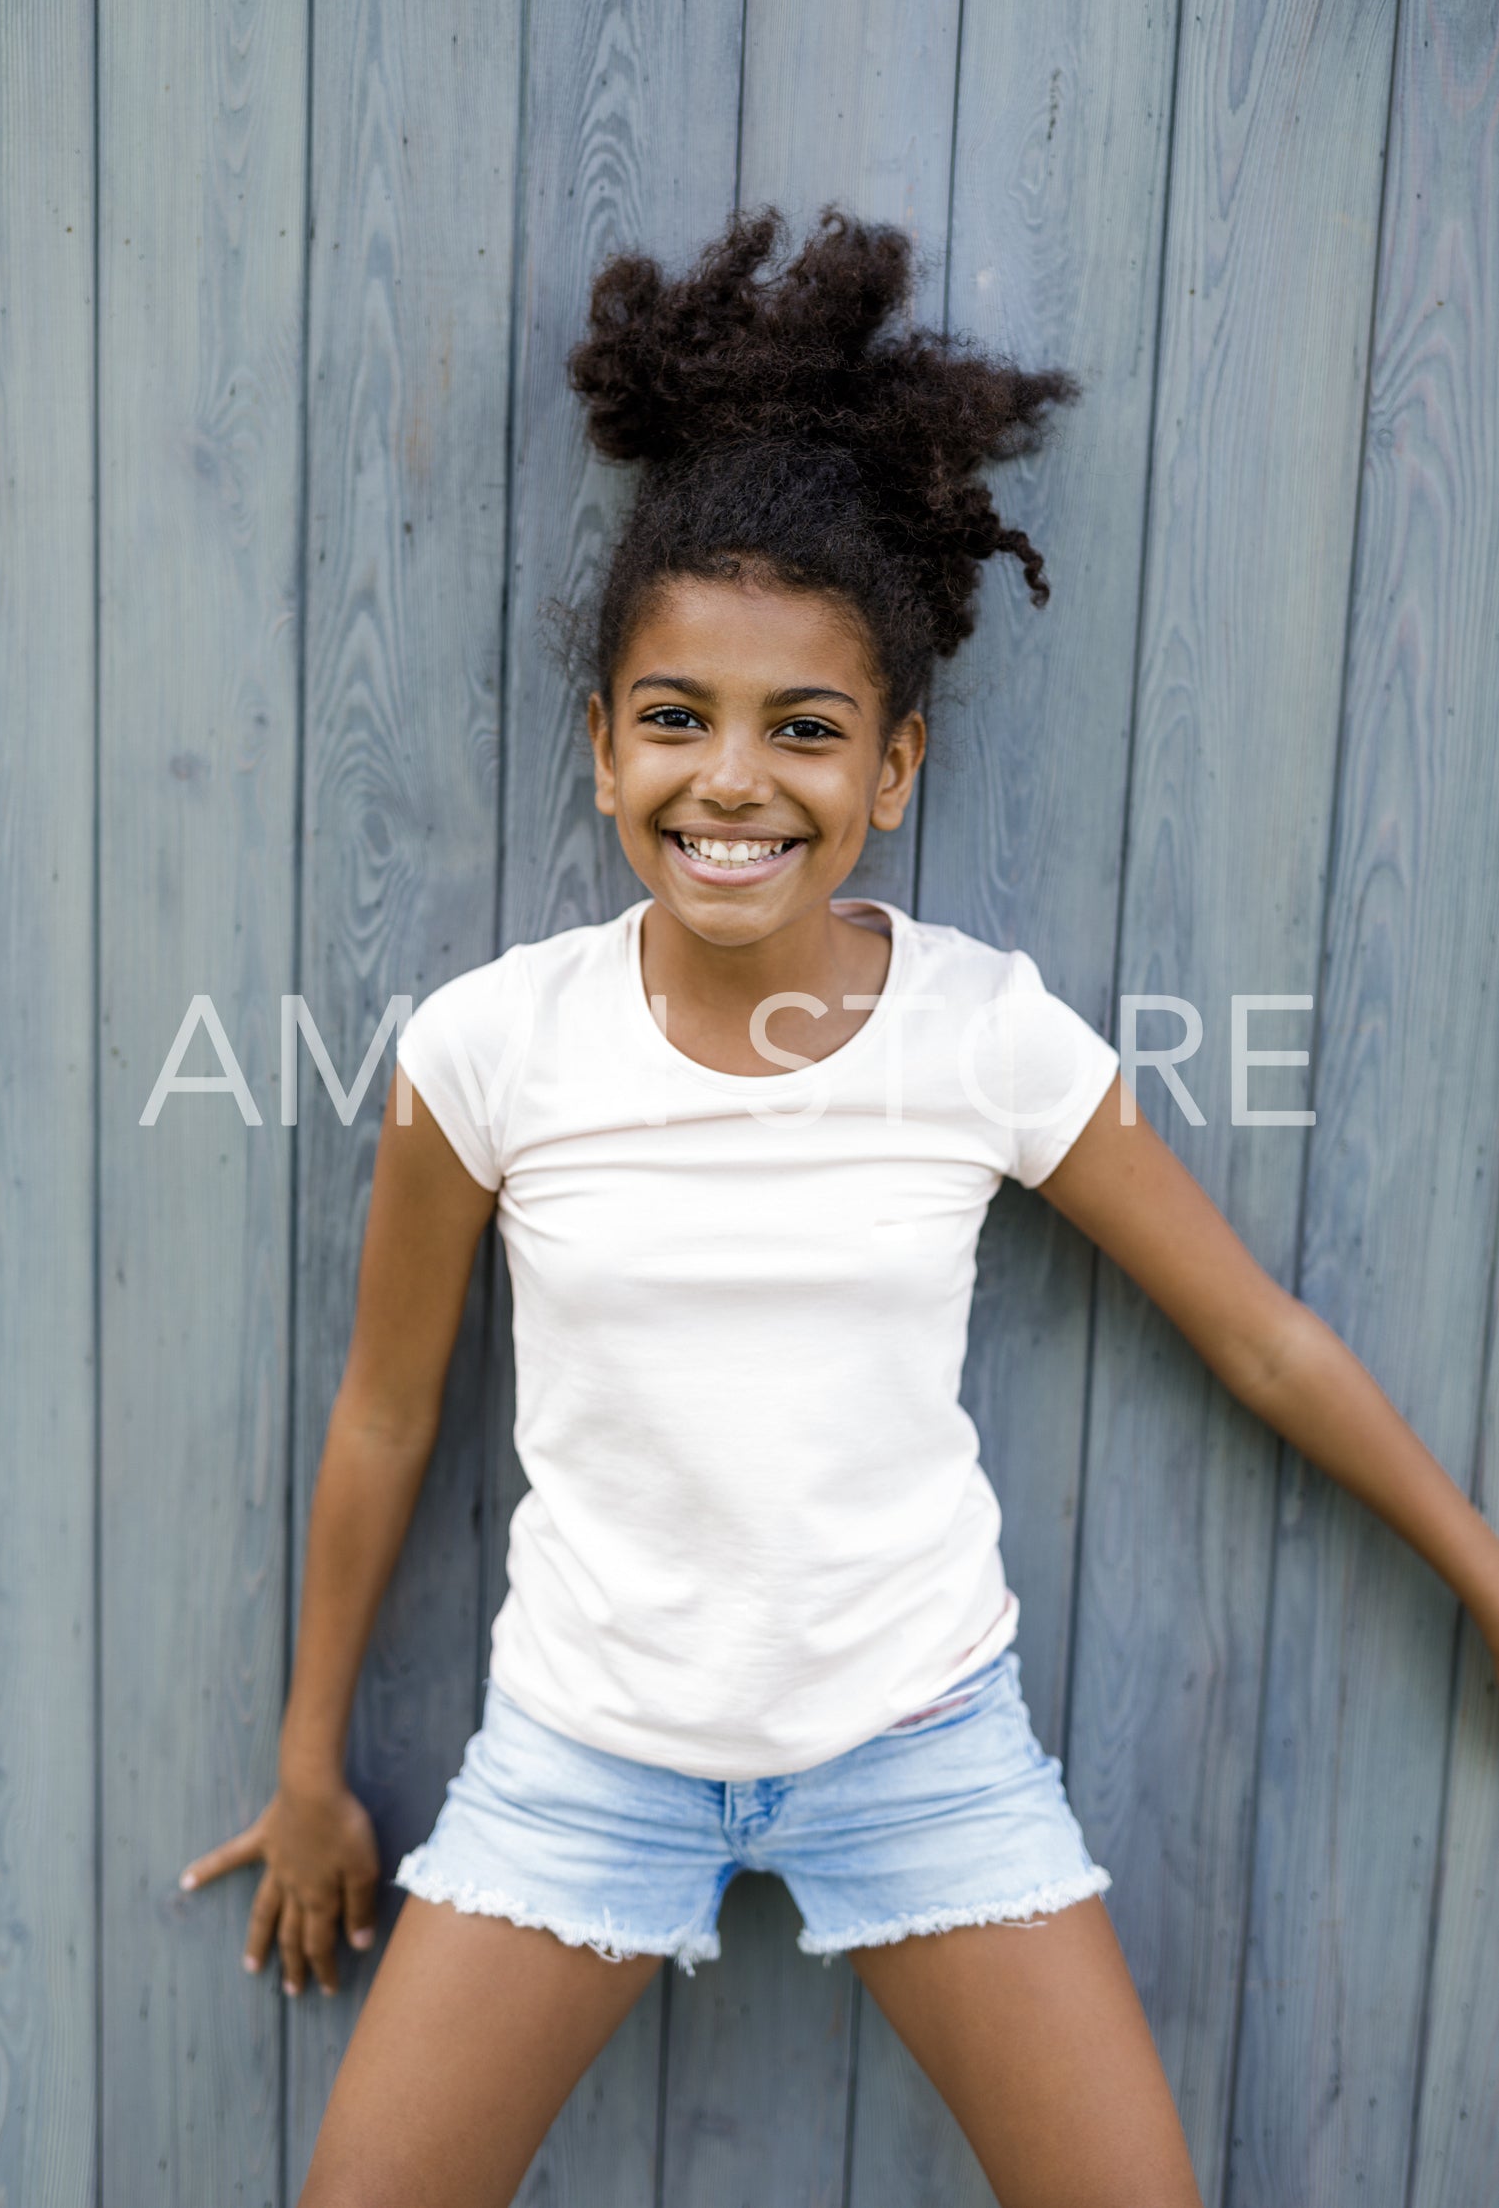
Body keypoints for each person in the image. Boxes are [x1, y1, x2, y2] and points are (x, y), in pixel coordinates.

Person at [181, 208, 1499, 2208]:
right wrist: (307, 1767)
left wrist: (1484, 1570)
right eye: (676, 716)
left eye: (805, 728)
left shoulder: (984, 1034)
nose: (735, 779)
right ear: (605, 744)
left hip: (919, 1737)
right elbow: (384, 1414)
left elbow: (1255, 1332)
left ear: (893, 766)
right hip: (587, 1751)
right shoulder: (485, 1049)